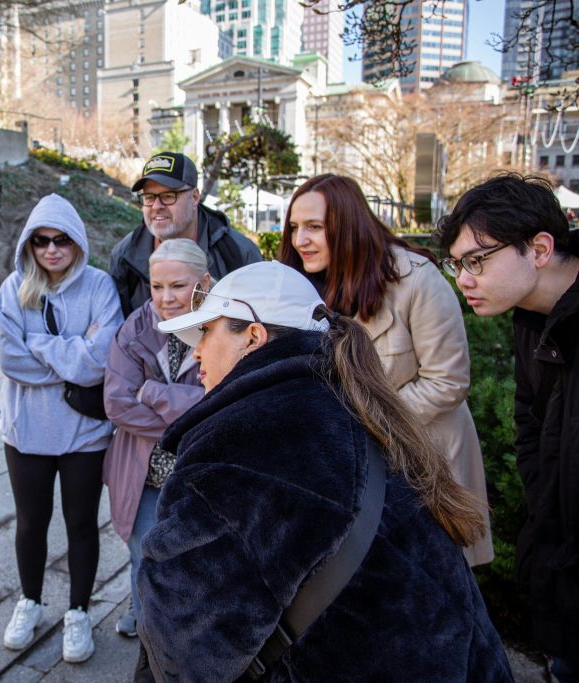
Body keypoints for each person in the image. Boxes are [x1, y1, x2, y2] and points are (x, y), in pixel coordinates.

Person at [137, 261, 512, 682]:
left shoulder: (239, 447)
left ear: (253, 338)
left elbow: (186, 652)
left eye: (207, 331)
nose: (197, 351)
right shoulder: (353, 407)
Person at [278, 173, 493, 566]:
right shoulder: (300, 290)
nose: (299, 240)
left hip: (427, 470)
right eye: (293, 227)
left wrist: (361, 421)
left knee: (435, 595)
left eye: (313, 227)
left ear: (346, 223)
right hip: (350, 475)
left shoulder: (416, 279)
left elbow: (447, 381)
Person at [435, 173, 579, 682]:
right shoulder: (531, 316)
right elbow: (533, 430)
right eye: (458, 265)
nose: (463, 280)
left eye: (477, 261)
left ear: (539, 248)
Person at [0, 194, 122, 664]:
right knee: (30, 524)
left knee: (81, 525)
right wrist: (72, 350)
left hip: (83, 432)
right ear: (30, 244)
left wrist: (41, 344)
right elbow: (10, 361)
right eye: (42, 241)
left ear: (77, 242)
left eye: (61, 240)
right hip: (25, 430)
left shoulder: (100, 287)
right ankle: (29, 600)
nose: (51, 250)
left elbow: (98, 364)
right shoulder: (12, 289)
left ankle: (79, 611)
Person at [103, 238, 208, 681]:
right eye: (157, 286)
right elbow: (116, 403)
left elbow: (222, 398)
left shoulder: (223, 323)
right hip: (144, 472)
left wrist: (154, 393)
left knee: (200, 562)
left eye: (178, 286)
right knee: (143, 556)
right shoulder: (135, 328)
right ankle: (151, 647)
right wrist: (190, 410)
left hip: (198, 472)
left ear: (202, 283)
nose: (165, 298)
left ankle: (192, 644)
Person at [110, 152, 261, 317]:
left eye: (168, 196)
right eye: (149, 197)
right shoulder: (125, 255)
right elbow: (122, 329)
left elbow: (261, 322)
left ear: (195, 197)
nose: (156, 206)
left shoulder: (237, 252)